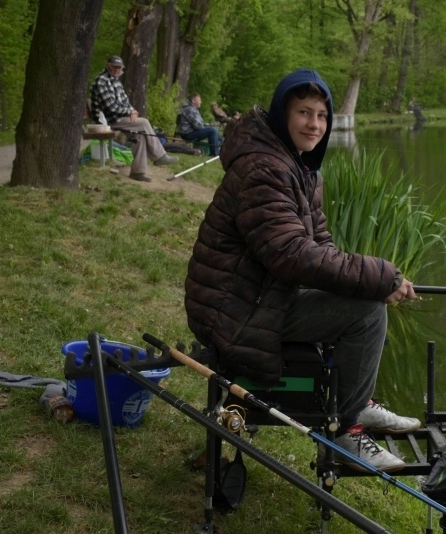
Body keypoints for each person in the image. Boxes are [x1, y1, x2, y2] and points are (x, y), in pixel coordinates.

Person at [184, 69, 419, 473]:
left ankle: (357, 404)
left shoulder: (299, 166)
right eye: (304, 113)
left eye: (322, 116)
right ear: (282, 114)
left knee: (363, 298)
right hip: (236, 312)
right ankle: (347, 429)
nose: (314, 124)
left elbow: (320, 246)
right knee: (366, 311)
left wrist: (368, 281)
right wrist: (382, 276)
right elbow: (291, 255)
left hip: (261, 296)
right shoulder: (266, 169)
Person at [90, 55, 179, 182]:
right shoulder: (102, 81)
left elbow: (125, 102)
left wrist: (133, 110)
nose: (117, 70)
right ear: (108, 65)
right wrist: (129, 111)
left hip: (118, 119)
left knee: (140, 134)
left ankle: (138, 172)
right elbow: (111, 108)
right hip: (106, 121)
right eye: (114, 67)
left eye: (119, 67)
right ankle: (160, 156)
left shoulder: (116, 81)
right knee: (144, 123)